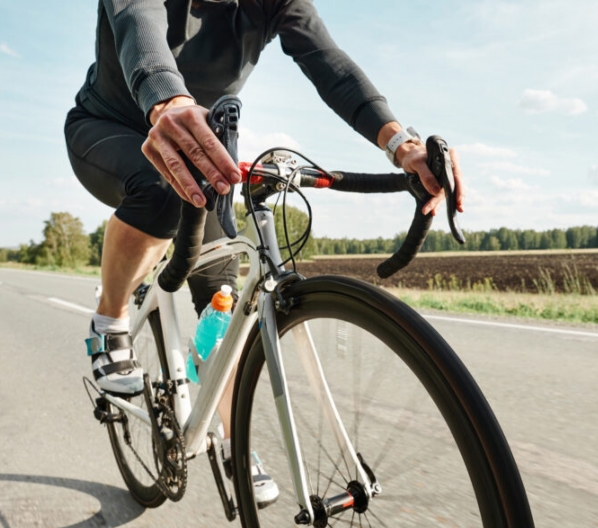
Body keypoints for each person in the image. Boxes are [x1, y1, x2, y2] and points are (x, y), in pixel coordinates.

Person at [65, 0, 464, 502]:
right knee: (160, 191)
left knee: (223, 303)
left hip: (199, 147)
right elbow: (135, 22)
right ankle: (110, 320)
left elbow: (332, 65)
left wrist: (401, 144)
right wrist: (167, 101)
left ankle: (234, 437)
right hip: (109, 127)